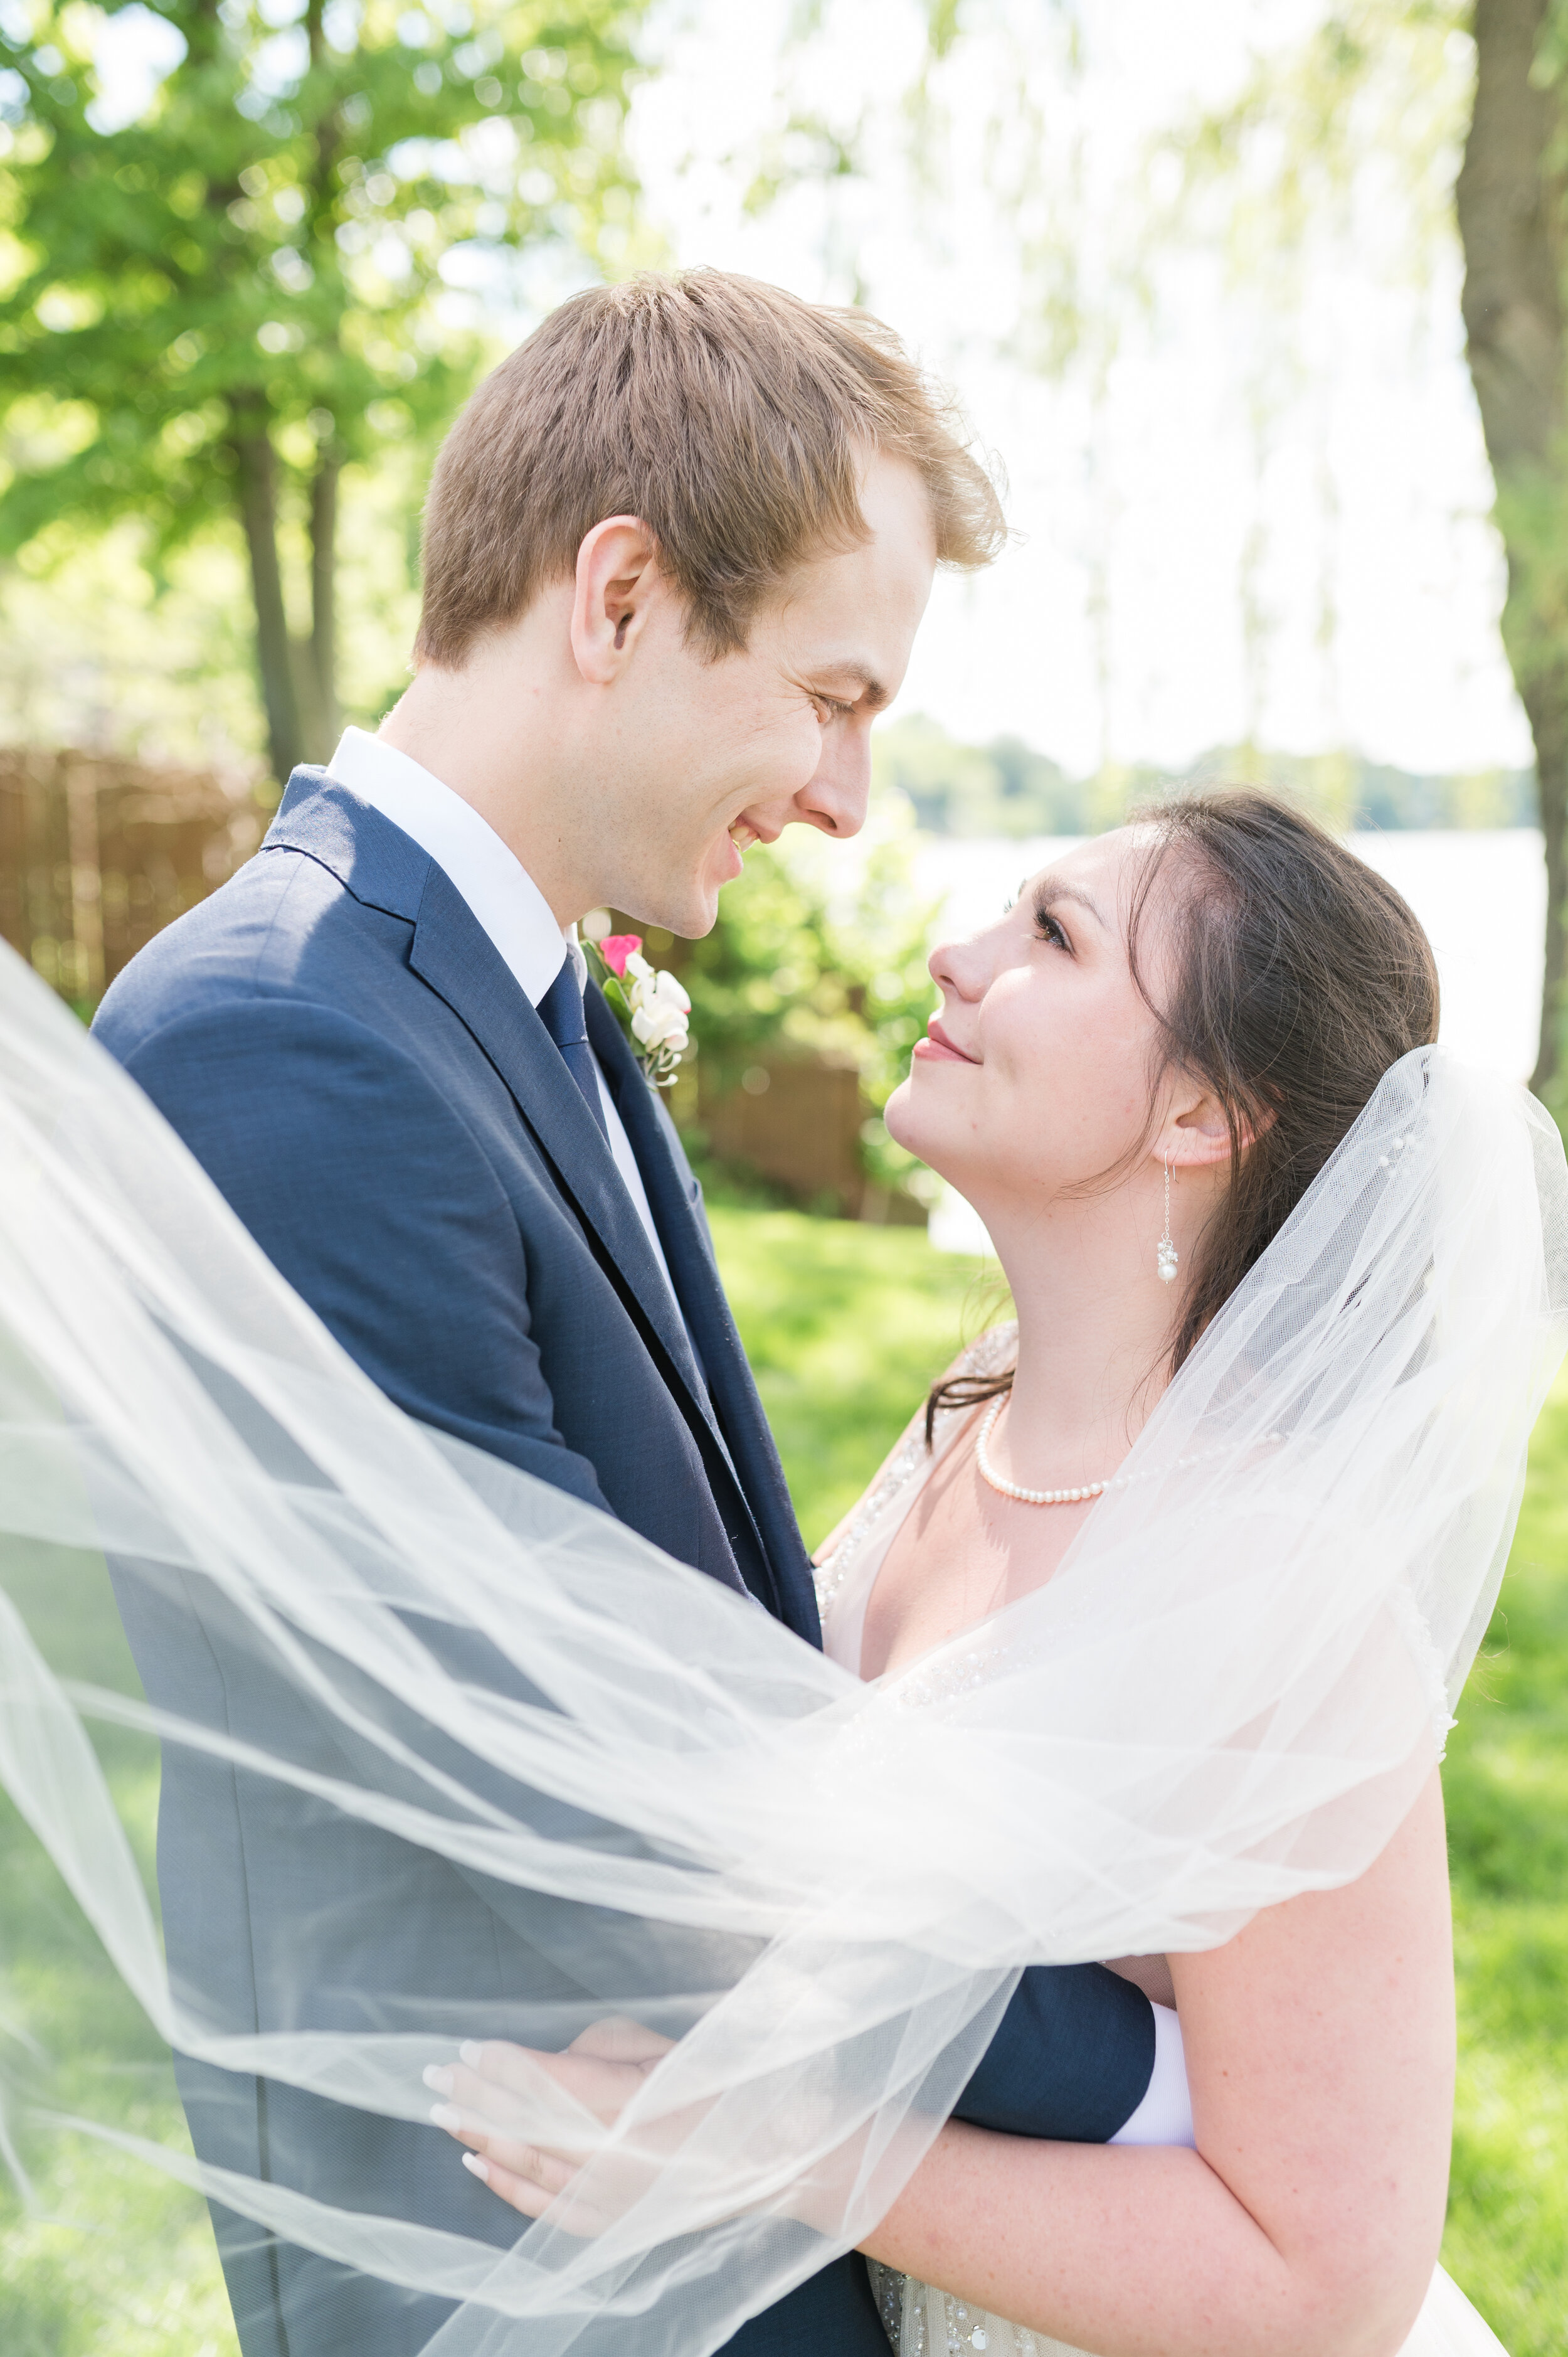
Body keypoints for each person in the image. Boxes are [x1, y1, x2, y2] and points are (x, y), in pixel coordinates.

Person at [85, 269, 1170, 2357]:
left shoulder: (499, 992)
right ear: (616, 599)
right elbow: (596, 1770)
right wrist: (1140, 2086)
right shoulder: (286, 1047)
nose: (848, 795)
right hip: (516, 2263)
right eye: (832, 694)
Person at [432, 792, 1530, 2357]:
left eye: (1051, 935)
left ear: (1198, 1117)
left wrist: (766, 2149)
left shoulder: (1277, 1604)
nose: (955, 956)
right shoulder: (981, 1400)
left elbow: (1319, 2279)